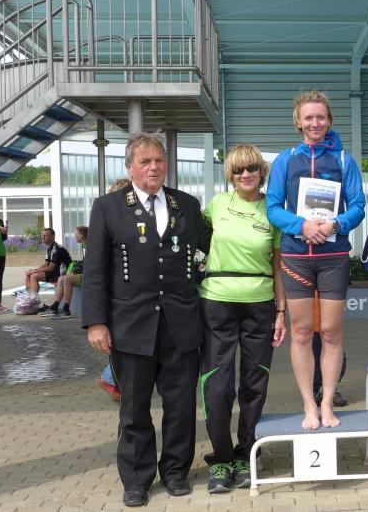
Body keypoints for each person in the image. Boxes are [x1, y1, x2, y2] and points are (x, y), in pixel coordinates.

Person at [83, 132, 211, 507]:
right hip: (130, 326)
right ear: (130, 168)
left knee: (181, 406)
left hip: (180, 324)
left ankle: (175, 471)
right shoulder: (108, 207)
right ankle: (137, 479)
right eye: (145, 161)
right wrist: (96, 323)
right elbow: (95, 270)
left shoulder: (187, 204)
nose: (154, 167)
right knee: (134, 409)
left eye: (159, 160)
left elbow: (210, 246)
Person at [267, 90, 365, 430]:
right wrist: (302, 226)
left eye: (321, 117)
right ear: (298, 121)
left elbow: (358, 206)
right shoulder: (285, 160)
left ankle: (327, 402)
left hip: (333, 256)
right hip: (297, 256)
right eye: (308, 117)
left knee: (332, 332)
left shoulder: (344, 161)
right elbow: (273, 207)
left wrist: (335, 225)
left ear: (329, 120)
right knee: (301, 332)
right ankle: (308, 404)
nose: (315, 123)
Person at [199, 144, 287, 493]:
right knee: (218, 386)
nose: (245, 174)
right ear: (230, 175)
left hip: (260, 305)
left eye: (251, 168)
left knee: (254, 383)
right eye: (238, 170)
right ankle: (221, 459)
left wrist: (281, 312)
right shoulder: (217, 205)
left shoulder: (274, 210)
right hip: (217, 303)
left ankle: (245, 454)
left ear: (261, 171)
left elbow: (278, 268)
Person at [97, 178, 132, 403]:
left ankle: (113, 379)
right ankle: (111, 379)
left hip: (118, 299)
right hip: (119, 300)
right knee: (122, 346)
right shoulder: (113, 225)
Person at [38, 226, 88, 319]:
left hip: (91, 276)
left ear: (81, 236)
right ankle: (55, 307)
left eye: (75, 235)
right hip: (86, 273)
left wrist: (78, 270)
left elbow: (91, 264)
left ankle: (66, 310)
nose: (74, 236)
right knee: (61, 279)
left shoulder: (89, 246)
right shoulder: (84, 246)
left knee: (67, 279)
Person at [312, 291, 348, 407]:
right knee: (314, 359)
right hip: (311, 325)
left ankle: (331, 390)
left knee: (338, 359)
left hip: (330, 323)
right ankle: (314, 391)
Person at [28, 228, 70, 307]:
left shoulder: (56, 248)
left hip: (63, 273)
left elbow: (50, 268)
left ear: (52, 237)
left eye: (45, 236)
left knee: (34, 276)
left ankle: (34, 303)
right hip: (56, 271)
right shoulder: (49, 248)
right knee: (29, 274)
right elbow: (46, 263)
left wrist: (35, 271)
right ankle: (31, 299)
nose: (43, 237)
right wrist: (34, 270)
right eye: (42, 235)